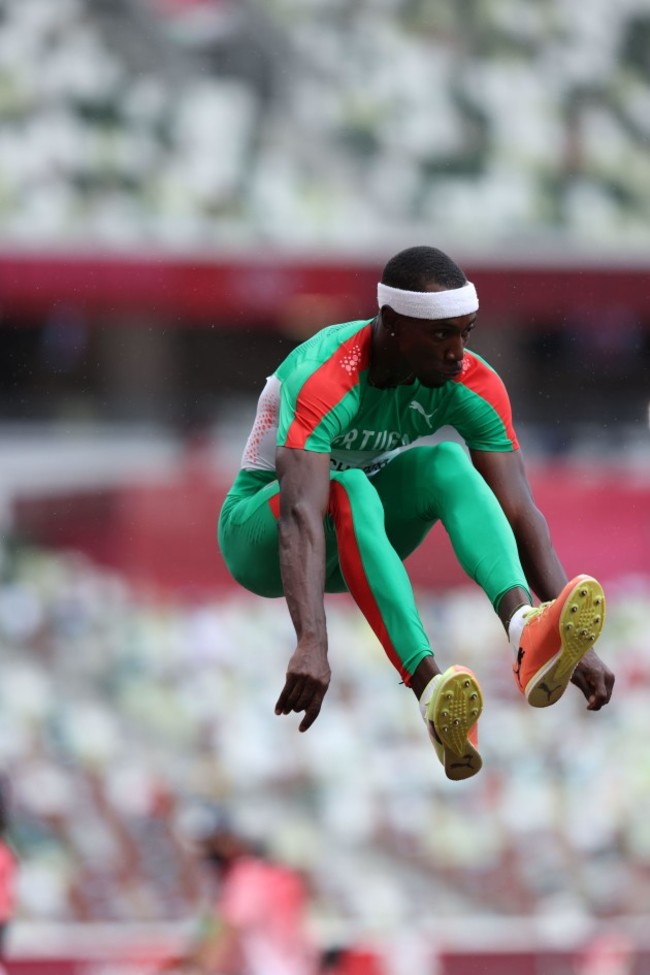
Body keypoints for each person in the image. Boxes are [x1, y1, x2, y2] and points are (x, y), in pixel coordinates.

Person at [218, 245, 614, 780]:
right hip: (262, 537)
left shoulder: (470, 382)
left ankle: (524, 629)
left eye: (465, 333)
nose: (456, 353)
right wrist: (311, 639)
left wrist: (565, 632)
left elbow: (520, 510)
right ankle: (430, 687)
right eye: (440, 335)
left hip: (363, 535)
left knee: (447, 462)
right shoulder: (326, 375)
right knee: (350, 487)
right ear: (392, 325)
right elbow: (300, 516)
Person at [163, 803, 317, 975]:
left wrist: (191, 965)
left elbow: (219, 932)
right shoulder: (273, 876)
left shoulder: (244, 879)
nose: (205, 855)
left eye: (209, 846)